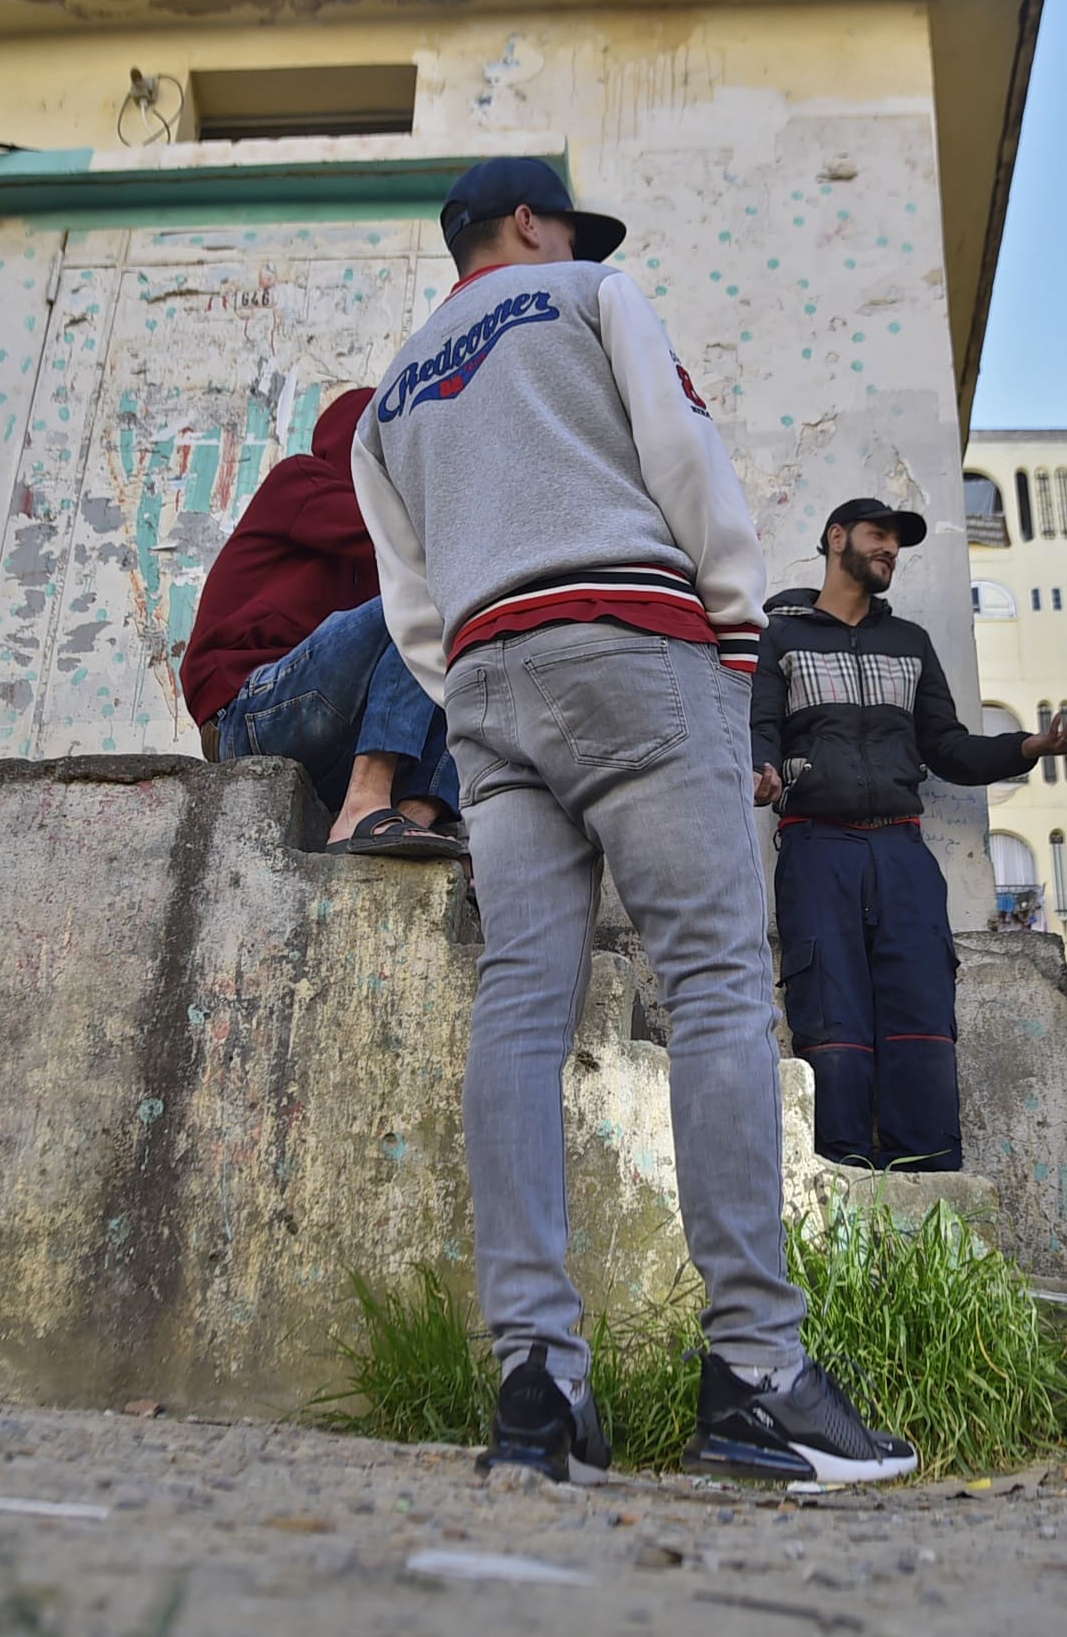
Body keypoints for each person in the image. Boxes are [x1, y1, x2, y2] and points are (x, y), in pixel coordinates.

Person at [350, 156, 916, 1485]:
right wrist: (729, 639)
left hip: (488, 682)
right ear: (533, 223)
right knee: (717, 984)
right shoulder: (590, 292)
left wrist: (476, 695)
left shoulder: (390, 400)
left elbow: (408, 596)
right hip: (634, 643)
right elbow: (686, 461)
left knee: (520, 1004)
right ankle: (758, 1376)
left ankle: (537, 1391)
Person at [750, 500, 1067, 1171]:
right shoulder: (779, 638)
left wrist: (1027, 745)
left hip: (903, 854)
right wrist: (759, 772)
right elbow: (761, 728)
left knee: (923, 1019)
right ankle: (837, 1183)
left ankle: (930, 1179)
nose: (890, 550)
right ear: (837, 538)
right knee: (831, 1024)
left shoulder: (909, 642)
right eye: (879, 536)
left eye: (898, 543)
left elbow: (949, 748)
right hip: (818, 852)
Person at [179, 386, 463, 859]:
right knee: (430, 600)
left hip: (322, 736)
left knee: (474, 641)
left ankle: (412, 817)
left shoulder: (388, 558)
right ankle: (363, 807)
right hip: (242, 712)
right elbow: (397, 536)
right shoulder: (301, 482)